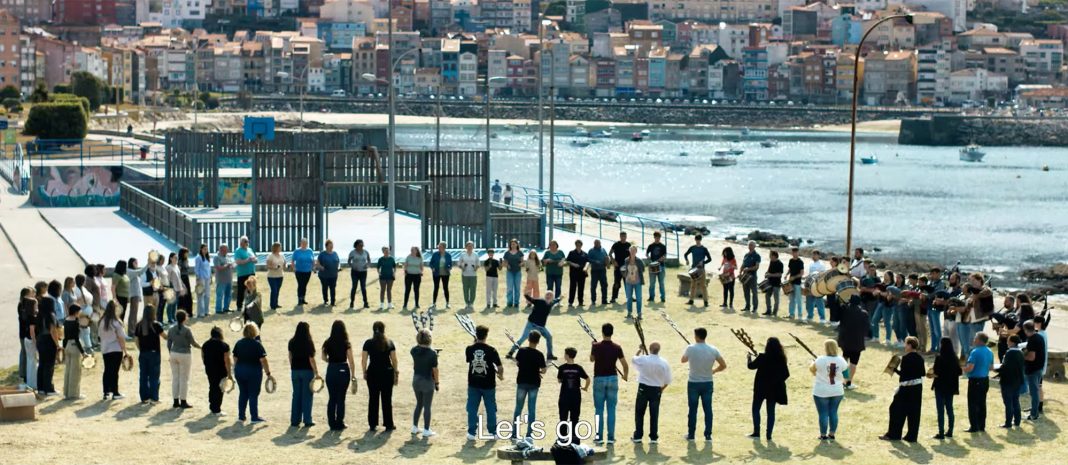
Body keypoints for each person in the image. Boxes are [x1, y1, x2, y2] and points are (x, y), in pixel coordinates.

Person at [682, 327, 726, 442]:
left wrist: (689, 351)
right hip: (707, 382)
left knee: (692, 409)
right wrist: (714, 371)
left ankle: (691, 434)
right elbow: (723, 365)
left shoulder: (690, 348)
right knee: (708, 409)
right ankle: (708, 435)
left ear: (696, 336)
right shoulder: (713, 349)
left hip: (693, 383)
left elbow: (683, 360)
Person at [880, 336, 925, 442]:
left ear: (909, 345)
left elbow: (904, 375)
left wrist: (895, 370)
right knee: (914, 412)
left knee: (896, 409)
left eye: (906, 344)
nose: (905, 346)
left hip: (906, 389)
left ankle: (893, 434)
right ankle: (911, 436)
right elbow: (922, 373)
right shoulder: (920, 358)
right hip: (917, 388)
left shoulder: (906, 358)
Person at [591, 323, 628, 444]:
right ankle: (611, 437)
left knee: (599, 410)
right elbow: (625, 365)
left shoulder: (596, 346)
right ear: (612, 332)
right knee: (611, 409)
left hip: (599, 379)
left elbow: (592, 359)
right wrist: (625, 375)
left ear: (602, 332)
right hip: (612, 378)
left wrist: (593, 346)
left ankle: (599, 437)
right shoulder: (617, 347)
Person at [466, 325, 504, 440]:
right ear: (486, 335)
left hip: (473, 383)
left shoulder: (469, 349)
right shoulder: (492, 350)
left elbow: (469, 360)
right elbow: (500, 367)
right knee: (491, 408)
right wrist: (500, 375)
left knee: (472, 408)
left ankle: (471, 432)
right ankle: (493, 431)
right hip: (488, 384)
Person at [747, 337, 789, 440]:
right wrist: (776, 381)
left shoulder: (762, 357)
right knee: (771, 412)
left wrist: (749, 358)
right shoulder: (781, 358)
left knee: (756, 409)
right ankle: (768, 435)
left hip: (760, 388)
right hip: (773, 390)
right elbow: (786, 374)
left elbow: (751, 366)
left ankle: (756, 432)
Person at [631, 341, 671, 444]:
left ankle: (638, 435)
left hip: (643, 388)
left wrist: (640, 350)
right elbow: (667, 380)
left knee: (639, 413)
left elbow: (633, 359)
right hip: (656, 389)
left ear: (649, 349)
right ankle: (653, 437)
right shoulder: (664, 362)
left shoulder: (644, 359)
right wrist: (661, 390)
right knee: (654, 414)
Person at [362, 321, 398, 431]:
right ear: (384, 330)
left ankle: (372, 423)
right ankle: (388, 423)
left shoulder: (368, 343)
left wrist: (364, 372)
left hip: (373, 372)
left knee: (373, 398)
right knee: (387, 399)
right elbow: (394, 360)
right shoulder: (389, 343)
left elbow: (363, 360)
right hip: (387, 372)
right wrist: (396, 372)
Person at [233, 323, 270, 424]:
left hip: (240, 371)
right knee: (253, 394)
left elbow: (235, 358)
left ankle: (241, 416)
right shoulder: (257, 344)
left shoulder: (239, 343)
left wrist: (235, 370)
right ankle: (254, 417)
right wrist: (268, 373)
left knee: (243, 393)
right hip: (253, 372)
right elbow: (263, 360)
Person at [322, 320, 357, 430]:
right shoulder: (346, 343)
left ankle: (331, 423)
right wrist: (353, 375)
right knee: (341, 398)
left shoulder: (327, 342)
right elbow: (351, 360)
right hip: (343, 369)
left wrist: (330, 361)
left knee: (332, 398)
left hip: (332, 369)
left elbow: (323, 357)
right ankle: (340, 422)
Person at [811, 340, 847, 441]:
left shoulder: (820, 359)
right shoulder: (841, 360)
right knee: (833, 412)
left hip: (821, 391)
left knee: (823, 413)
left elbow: (813, 371)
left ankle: (823, 435)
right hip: (837, 390)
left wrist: (813, 363)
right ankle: (832, 433)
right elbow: (847, 375)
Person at [513, 330, 547, 439]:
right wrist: (539, 372)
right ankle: (529, 434)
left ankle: (514, 433)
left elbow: (518, 363)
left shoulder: (521, 351)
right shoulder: (539, 354)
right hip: (534, 383)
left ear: (528, 339)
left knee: (518, 408)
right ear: (538, 341)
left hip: (522, 382)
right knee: (531, 409)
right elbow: (544, 370)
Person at [510, 292, 558, 360]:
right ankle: (511, 352)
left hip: (541, 327)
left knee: (549, 337)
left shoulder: (551, 303)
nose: (548, 296)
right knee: (523, 338)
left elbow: (556, 300)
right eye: (547, 294)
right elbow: (531, 299)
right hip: (531, 324)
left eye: (550, 295)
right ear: (544, 296)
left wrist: (560, 298)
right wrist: (526, 294)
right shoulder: (540, 301)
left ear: (552, 298)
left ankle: (549, 355)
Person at [288, 321, 319, 428]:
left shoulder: (292, 342)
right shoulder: (309, 342)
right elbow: (311, 359)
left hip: (295, 371)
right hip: (307, 371)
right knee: (307, 396)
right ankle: (307, 419)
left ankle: (294, 420)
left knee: (296, 395)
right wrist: (316, 372)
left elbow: (290, 356)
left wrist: (293, 367)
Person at [167, 310, 200, 409]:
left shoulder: (171, 329)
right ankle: (183, 401)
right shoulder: (187, 330)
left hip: (174, 353)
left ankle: (175, 401)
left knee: (175, 378)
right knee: (184, 378)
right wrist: (201, 347)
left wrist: (171, 353)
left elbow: (169, 343)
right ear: (184, 318)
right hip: (184, 354)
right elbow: (193, 343)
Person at [930, 338, 961, 439]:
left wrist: (930, 375)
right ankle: (950, 431)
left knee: (940, 411)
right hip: (951, 387)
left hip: (940, 386)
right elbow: (960, 372)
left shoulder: (939, 357)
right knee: (950, 409)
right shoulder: (955, 357)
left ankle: (941, 432)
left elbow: (936, 372)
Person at [557, 347, 590, 443]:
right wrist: (585, 387)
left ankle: (562, 437)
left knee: (563, 417)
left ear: (567, 355)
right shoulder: (578, 368)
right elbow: (588, 379)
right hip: (576, 396)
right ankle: (574, 437)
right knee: (575, 417)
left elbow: (559, 380)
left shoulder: (562, 368)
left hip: (564, 396)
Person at [410, 328, 439, 437]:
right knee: (427, 406)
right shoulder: (432, 353)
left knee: (419, 403)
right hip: (427, 381)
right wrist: (437, 383)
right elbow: (435, 369)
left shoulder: (413, 350)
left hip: (416, 379)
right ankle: (426, 429)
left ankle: (415, 427)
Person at [963, 332, 994, 433]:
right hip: (985, 379)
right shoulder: (990, 351)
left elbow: (970, 368)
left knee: (972, 404)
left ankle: (974, 426)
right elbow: (991, 367)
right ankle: (981, 425)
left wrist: (962, 368)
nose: (973, 340)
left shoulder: (975, 352)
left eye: (975, 338)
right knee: (982, 403)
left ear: (980, 340)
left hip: (975, 381)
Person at [134, 306, 165, 404]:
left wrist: (141, 350)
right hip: (154, 353)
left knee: (143, 375)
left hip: (143, 354)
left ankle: (144, 397)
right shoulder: (156, 325)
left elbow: (136, 341)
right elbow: (165, 336)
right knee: (154, 376)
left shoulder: (139, 325)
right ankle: (154, 397)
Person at [837, 297, 869, 390]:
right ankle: (848, 382)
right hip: (857, 342)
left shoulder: (845, 310)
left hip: (845, 340)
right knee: (853, 363)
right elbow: (866, 329)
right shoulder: (863, 313)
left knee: (844, 359)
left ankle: (839, 380)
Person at [36, 281, 61, 396]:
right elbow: (53, 330)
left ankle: (40, 387)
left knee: (41, 364)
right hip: (48, 341)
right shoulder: (51, 314)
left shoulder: (39, 314)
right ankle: (49, 388)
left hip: (40, 340)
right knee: (49, 365)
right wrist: (57, 344)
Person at [99, 301, 128, 400]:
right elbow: (121, 338)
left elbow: (100, 336)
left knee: (107, 370)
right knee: (114, 372)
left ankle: (106, 392)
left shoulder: (102, 321)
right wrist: (125, 351)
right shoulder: (117, 322)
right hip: (115, 349)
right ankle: (115, 392)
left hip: (105, 349)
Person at [201, 326, 232, 416]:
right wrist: (229, 373)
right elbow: (227, 360)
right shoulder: (224, 345)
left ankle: (212, 406)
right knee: (220, 389)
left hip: (210, 369)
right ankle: (216, 409)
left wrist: (207, 365)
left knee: (212, 386)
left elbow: (203, 356)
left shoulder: (205, 344)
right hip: (221, 370)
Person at [998, 335, 1026, 428]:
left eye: (1008, 341)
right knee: (1015, 401)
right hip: (1017, 380)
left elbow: (1006, 367)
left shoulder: (1010, 353)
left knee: (1008, 402)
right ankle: (1017, 421)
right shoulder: (1021, 353)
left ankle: (1008, 422)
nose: (1007, 342)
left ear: (1013, 342)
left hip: (1008, 381)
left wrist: (997, 369)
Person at [1022, 320, 1046, 421]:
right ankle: (1034, 409)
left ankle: (1034, 414)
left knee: (1034, 392)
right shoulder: (1039, 336)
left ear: (1026, 330)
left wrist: (1022, 356)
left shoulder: (1032, 339)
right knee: (1034, 391)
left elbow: (1031, 357)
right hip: (1039, 367)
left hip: (1033, 369)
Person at [62, 304, 87, 399]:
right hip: (74, 346)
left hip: (67, 345)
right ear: (76, 312)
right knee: (75, 371)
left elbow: (65, 336)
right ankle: (74, 394)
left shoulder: (66, 320)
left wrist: (64, 347)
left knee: (68, 370)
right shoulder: (75, 323)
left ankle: (67, 392)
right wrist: (83, 351)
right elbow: (76, 339)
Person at [683, 235, 712, 307]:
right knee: (693, 285)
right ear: (695, 240)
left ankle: (706, 302)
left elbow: (709, 259)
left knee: (703, 286)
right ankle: (691, 300)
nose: (698, 241)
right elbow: (685, 254)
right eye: (697, 239)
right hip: (693, 269)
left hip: (701, 269)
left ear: (701, 240)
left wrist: (703, 262)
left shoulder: (704, 249)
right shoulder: (692, 248)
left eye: (699, 239)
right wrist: (687, 260)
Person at [233, 236, 258, 312]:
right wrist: (248, 259)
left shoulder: (250, 250)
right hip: (242, 274)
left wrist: (254, 260)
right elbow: (238, 262)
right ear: (241, 242)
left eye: (247, 241)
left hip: (251, 273)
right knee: (241, 290)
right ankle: (239, 306)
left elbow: (255, 259)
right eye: (245, 241)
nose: (247, 243)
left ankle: (252, 304)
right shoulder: (238, 251)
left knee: (252, 289)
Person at [19, 289, 37, 390]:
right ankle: (33, 383)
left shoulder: (25, 314)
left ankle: (30, 382)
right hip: (31, 340)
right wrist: (35, 341)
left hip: (26, 339)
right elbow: (32, 330)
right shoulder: (32, 316)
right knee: (32, 362)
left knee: (30, 361)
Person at [128, 256, 151, 332]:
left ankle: (133, 329)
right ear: (131, 263)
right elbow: (141, 271)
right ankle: (131, 330)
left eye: (137, 262)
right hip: (133, 295)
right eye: (135, 262)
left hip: (136, 295)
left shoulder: (134, 271)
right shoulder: (130, 271)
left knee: (135, 313)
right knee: (133, 313)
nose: (137, 264)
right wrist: (148, 263)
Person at [643, 233, 668, 304]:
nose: (657, 238)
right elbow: (647, 253)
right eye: (656, 237)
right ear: (654, 237)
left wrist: (662, 258)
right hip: (652, 266)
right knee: (652, 283)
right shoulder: (651, 246)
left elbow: (665, 255)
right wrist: (648, 257)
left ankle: (663, 298)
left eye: (658, 237)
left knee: (661, 283)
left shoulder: (663, 246)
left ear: (660, 237)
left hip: (661, 266)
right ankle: (651, 297)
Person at [622, 246, 646, 320]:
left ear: (636, 252)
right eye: (631, 251)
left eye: (634, 251)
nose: (632, 252)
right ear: (629, 251)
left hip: (637, 282)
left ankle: (639, 314)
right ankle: (629, 313)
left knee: (639, 298)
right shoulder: (626, 260)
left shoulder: (639, 260)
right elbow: (624, 269)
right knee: (629, 298)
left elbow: (643, 268)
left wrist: (637, 273)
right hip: (628, 282)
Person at [291, 238, 315, 306]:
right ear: (300, 243)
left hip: (308, 271)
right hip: (299, 271)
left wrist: (313, 267)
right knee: (300, 285)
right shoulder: (297, 251)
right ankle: (299, 299)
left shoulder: (310, 250)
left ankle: (303, 298)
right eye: (303, 243)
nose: (304, 244)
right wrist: (294, 268)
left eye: (305, 243)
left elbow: (312, 260)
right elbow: (292, 261)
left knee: (304, 285)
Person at [348, 239, 372, 309]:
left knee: (363, 287)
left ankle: (365, 303)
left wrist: (367, 265)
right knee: (354, 287)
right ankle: (352, 302)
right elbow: (349, 261)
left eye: (362, 245)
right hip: (355, 272)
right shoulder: (352, 252)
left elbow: (369, 260)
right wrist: (352, 266)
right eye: (359, 245)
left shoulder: (366, 252)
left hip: (363, 272)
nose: (361, 247)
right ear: (356, 246)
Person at [805, 251, 828, 322]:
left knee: (819, 302)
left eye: (815, 254)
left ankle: (822, 318)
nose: (813, 256)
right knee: (809, 301)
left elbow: (823, 275)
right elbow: (810, 274)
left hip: (818, 286)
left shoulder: (821, 264)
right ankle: (810, 316)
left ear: (818, 255)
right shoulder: (811, 263)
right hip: (810, 285)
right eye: (813, 254)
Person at [316, 239, 341, 307]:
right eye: (330, 246)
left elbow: (338, 262)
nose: (331, 247)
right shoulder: (322, 254)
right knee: (325, 288)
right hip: (324, 275)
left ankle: (333, 302)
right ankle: (325, 300)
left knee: (333, 288)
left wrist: (338, 267)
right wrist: (321, 267)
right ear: (326, 246)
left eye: (332, 245)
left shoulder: (335, 253)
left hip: (333, 275)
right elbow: (317, 263)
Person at [609, 232, 631, 304]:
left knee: (627, 283)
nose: (623, 237)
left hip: (626, 267)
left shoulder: (628, 245)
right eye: (622, 236)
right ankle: (613, 298)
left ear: (626, 236)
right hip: (617, 267)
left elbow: (631, 255)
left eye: (624, 236)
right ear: (620, 236)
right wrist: (613, 261)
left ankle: (629, 297)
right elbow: (610, 253)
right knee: (616, 283)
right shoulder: (616, 244)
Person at [565, 240, 589, 307]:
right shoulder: (571, 252)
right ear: (575, 245)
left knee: (581, 288)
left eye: (579, 244)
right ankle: (570, 302)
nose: (578, 246)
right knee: (572, 287)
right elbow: (567, 261)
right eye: (577, 244)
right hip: (573, 272)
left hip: (582, 273)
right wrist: (573, 264)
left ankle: (580, 302)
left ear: (581, 245)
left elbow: (587, 262)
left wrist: (586, 267)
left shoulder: (585, 253)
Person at [165, 252, 187, 324]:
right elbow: (167, 279)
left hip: (178, 288)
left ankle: (174, 317)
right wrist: (169, 288)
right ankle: (170, 318)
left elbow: (179, 278)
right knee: (170, 303)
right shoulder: (168, 267)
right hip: (171, 287)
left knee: (175, 304)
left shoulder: (177, 266)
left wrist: (182, 286)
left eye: (177, 258)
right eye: (175, 257)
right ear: (171, 258)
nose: (176, 259)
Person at [429, 242, 452, 308]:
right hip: (436, 273)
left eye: (440, 247)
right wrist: (432, 268)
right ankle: (434, 303)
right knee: (436, 288)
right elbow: (431, 263)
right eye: (438, 246)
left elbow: (450, 264)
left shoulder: (448, 255)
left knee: (445, 288)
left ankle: (447, 303)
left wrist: (449, 268)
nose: (438, 248)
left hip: (445, 273)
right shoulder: (435, 254)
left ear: (444, 247)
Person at [739, 241, 761, 313]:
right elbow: (743, 264)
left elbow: (757, 267)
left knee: (754, 292)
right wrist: (740, 272)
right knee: (746, 292)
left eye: (751, 245)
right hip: (745, 276)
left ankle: (755, 308)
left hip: (752, 276)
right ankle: (747, 306)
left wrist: (748, 269)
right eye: (749, 245)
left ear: (754, 246)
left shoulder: (757, 255)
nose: (750, 246)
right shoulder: (746, 255)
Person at [213, 244, 234, 314]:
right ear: (220, 249)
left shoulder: (228, 256)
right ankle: (218, 309)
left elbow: (231, 265)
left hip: (229, 279)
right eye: (224, 250)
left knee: (228, 295)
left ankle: (226, 308)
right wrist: (226, 265)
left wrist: (232, 265)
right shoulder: (217, 257)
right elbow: (218, 267)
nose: (226, 251)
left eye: (227, 250)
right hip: (221, 280)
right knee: (220, 295)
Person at [503, 239, 525, 308]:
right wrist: (507, 265)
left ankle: (516, 302)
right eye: (512, 244)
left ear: (517, 244)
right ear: (510, 245)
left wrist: (521, 264)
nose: (513, 245)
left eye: (514, 244)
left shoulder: (520, 253)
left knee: (517, 288)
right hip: (510, 272)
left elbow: (523, 262)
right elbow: (504, 262)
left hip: (517, 272)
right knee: (510, 288)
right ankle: (509, 302)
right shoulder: (507, 253)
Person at [459, 241, 480, 310]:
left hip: (473, 275)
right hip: (465, 275)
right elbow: (459, 264)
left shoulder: (476, 254)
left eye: (471, 246)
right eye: (468, 246)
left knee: (473, 289)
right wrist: (462, 267)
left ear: (473, 247)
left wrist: (475, 268)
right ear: (466, 247)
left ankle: (471, 303)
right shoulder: (463, 255)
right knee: (465, 289)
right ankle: (466, 303)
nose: (470, 247)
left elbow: (478, 264)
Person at [587, 240, 609, 306]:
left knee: (604, 285)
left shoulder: (603, 250)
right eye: (596, 243)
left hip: (602, 270)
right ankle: (593, 300)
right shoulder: (591, 250)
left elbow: (606, 257)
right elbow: (588, 259)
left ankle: (604, 300)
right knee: (593, 286)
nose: (597, 244)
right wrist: (595, 261)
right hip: (594, 270)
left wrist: (607, 262)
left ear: (600, 243)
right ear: (594, 243)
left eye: (598, 243)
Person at [763, 251, 784, 316]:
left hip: (777, 284)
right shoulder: (771, 262)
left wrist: (770, 275)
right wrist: (766, 273)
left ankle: (774, 312)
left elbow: (779, 275)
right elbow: (769, 270)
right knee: (767, 296)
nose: (769, 256)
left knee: (776, 299)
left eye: (770, 255)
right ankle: (768, 311)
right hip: (770, 282)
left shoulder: (780, 263)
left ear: (774, 256)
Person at [194, 244, 213, 317]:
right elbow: (196, 269)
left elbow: (209, 268)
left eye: (206, 249)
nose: (205, 250)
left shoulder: (207, 257)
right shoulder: (198, 258)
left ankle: (206, 311)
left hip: (207, 278)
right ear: (201, 249)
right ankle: (200, 312)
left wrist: (211, 277)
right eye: (204, 249)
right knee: (200, 295)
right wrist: (198, 278)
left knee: (207, 295)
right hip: (201, 278)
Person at [266, 242, 286, 311]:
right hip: (272, 276)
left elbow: (284, 263)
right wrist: (274, 267)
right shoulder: (270, 256)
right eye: (279, 247)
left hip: (280, 275)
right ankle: (272, 305)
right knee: (274, 290)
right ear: (276, 247)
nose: (281, 248)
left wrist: (285, 266)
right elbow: (268, 266)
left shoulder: (282, 255)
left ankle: (276, 303)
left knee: (277, 290)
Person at [786, 248, 804, 319]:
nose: (794, 253)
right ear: (792, 253)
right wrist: (786, 274)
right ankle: (791, 314)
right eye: (793, 252)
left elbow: (802, 273)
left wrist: (794, 277)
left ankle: (800, 316)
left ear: (798, 253)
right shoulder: (790, 260)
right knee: (791, 299)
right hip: (791, 282)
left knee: (798, 300)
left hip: (797, 283)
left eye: (796, 252)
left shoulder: (800, 262)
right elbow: (790, 269)